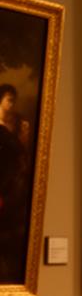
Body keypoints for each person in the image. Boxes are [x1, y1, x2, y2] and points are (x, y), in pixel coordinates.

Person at [0, 84, 29, 281]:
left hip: (10, 180)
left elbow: (20, 153)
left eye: (13, 100)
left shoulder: (13, 125)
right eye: (9, 99)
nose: (12, 104)